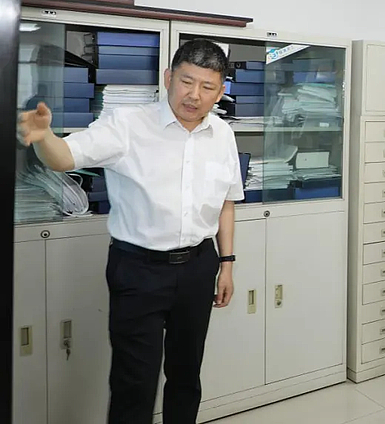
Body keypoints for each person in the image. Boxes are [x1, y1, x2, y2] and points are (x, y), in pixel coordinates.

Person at [17, 38, 244, 424]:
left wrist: (227, 264)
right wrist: (44, 138)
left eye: (207, 87)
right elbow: (66, 157)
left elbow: (226, 201)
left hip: (198, 266)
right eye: (186, 81)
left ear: (220, 92)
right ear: (168, 78)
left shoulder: (222, 134)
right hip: (139, 269)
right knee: (134, 382)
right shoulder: (127, 124)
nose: (194, 95)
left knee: (186, 373)